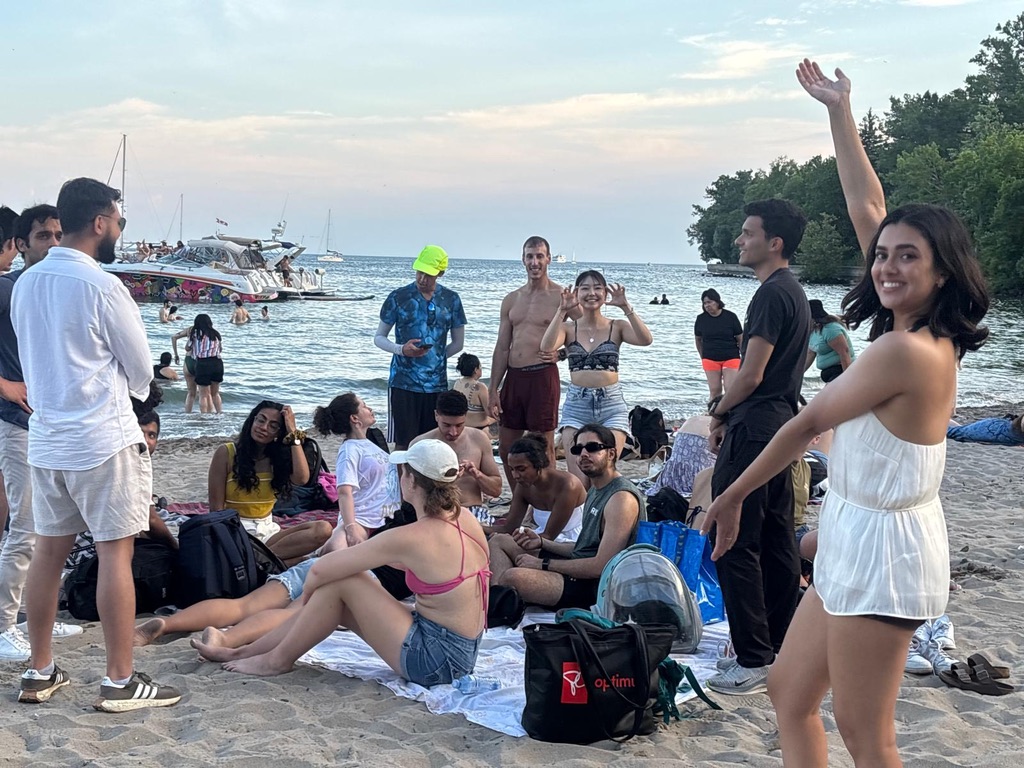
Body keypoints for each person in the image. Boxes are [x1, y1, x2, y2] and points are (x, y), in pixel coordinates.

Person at [703, 60, 990, 768]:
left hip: (888, 549)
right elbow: (869, 204)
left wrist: (730, 496)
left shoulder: (907, 352)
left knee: (867, 732)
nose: (886, 266)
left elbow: (804, 426)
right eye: (883, 255)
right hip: (851, 530)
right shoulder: (917, 325)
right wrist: (839, 110)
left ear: (943, 271)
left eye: (907, 257)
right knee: (790, 694)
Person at [11, 177, 180, 710]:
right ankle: (119, 679)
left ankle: (39, 670)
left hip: (47, 439)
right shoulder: (103, 286)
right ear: (101, 222)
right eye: (119, 222)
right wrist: (130, 387)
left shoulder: (27, 283)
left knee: (47, 554)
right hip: (101, 438)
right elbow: (141, 369)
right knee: (114, 555)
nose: (120, 232)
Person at [193, 440, 490, 688]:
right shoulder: (464, 519)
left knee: (342, 581)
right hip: (461, 652)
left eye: (402, 472)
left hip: (436, 662)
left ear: (411, 480)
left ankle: (275, 661)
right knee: (340, 597)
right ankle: (244, 651)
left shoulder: (413, 535)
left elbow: (322, 569)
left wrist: (307, 599)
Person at [702, 197, 811, 696]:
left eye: (748, 233)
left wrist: (719, 411)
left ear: (775, 242)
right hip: (782, 426)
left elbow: (751, 374)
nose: (739, 240)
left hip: (756, 427)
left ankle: (752, 657)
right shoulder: (795, 293)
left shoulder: (770, 294)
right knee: (775, 538)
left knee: (732, 539)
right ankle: (780, 646)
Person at [0, 204, 77, 663]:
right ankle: (4, 626)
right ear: (21, 244)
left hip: (55, 425)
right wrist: (4, 385)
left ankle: (34, 617)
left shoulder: (57, 289)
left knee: (54, 527)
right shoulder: (8, 288)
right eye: (43, 236)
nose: (52, 244)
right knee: (26, 527)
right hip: (18, 424)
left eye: (58, 235)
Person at [489, 424, 645, 609]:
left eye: (592, 448)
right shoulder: (595, 490)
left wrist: (543, 564)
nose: (584, 454)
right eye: (578, 449)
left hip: (595, 586)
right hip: (577, 567)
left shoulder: (621, 499)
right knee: (499, 541)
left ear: (611, 454)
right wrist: (542, 542)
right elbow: (583, 548)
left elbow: (601, 565)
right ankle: (499, 605)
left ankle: (499, 603)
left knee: (513, 577)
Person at [540, 271, 652, 489]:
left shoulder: (617, 326)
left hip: (611, 405)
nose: (591, 293)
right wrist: (562, 310)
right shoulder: (568, 328)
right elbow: (546, 346)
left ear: (605, 293)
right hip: (577, 406)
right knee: (579, 480)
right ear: (576, 293)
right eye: (585, 288)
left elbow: (645, 339)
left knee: (605, 473)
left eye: (597, 288)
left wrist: (625, 306)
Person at [488, 236, 576, 490]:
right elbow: (502, 347)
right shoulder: (512, 299)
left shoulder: (561, 297)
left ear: (548, 259)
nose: (534, 262)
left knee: (543, 447)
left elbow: (587, 334)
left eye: (539, 256)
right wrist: (493, 389)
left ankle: (546, 501)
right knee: (507, 447)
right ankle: (521, 498)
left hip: (542, 376)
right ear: (523, 259)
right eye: (530, 256)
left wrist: (562, 354)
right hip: (514, 377)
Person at [208, 401, 330, 565]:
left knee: (323, 529)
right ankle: (266, 562)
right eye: (261, 420)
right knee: (302, 560)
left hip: (268, 531)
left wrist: (293, 432)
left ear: (279, 433)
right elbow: (216, 510)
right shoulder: (227, 452)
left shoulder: (277, 459)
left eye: (273, 426)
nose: (264, 428)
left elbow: (302, 479)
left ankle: (257, 563)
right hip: (237, 530)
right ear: (252, 420)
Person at [374, 245, 466, 450]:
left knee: (434, 445)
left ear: (440, 273)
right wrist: (401, 350)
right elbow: (379, 337)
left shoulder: (451, 299)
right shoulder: (398, 297)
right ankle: (401, 474)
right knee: (404, 444)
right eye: (420, 272)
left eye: (429, 274)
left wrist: (436, 358)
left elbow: (458, 343)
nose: (422, 278)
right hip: (403, 383)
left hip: (437, 385)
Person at [312, 393, 402, 552]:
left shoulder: (372, 444)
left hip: (388, 519)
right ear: (354, 418)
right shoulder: (349, 450)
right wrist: (351, 528)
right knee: (337, 550)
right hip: (361, 521)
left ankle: (317, 554)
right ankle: (314, 556)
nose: (370, 409)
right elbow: (344, 492)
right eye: (364, 406)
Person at [410, 390, 503, 520]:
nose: (453, 432)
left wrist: (476, 474)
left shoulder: (479, 439)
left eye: (459, 425)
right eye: (447, 425)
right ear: (436, 415)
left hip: (472, 511)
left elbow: (496, 490)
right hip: (435, 513)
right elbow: (411, 491)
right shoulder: (420, 444)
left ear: (466, 416)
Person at [488, 432, 586, 542]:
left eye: (521, 469)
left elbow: (549, 536)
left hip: (574, 540)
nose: (515, 476)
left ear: (538, 464)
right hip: (542, 537)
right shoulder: (523, 486)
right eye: (512, 469)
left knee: (498, 542)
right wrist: (475, 527)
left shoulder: (568, 485)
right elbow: (508, 528)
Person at [694, 288, 743, 401]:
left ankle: (730, 411)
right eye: (705, 303)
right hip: (710, 358)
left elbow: (740, 338)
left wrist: (743, 355)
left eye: (710, 302)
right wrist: (703, 356)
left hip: (731, 357)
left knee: (729, 388)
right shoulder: (701, 319)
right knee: (715, 390)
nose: (707, 305)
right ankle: (713, 411)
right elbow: (698, 340)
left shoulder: (731, 317)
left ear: (717, 301)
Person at [805, 299, 856, 383]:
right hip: (829, 373)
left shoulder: (831, 329)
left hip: (839, 370)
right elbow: (810, 353)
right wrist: (797, 375)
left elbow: (845, 352)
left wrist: (847, 379)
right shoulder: (814, 331)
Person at [189, 314, 223, 414]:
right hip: (217, 363)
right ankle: (219, 413)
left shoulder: (196, 334)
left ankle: (204, 415)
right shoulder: (216, 334)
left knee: (203, 394)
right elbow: (220, 349)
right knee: (215, 393)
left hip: (203, 363)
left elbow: (188, 347)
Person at [451, 353, 494, 429]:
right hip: (479, 427)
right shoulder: (480, 387)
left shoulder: (457, 383)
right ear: (475, 370)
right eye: (480, 366)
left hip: (462, 426)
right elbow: (490, 412)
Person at [171, 323, 198, 413]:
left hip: (188, 360)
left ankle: (187, 414)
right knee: (204, 392)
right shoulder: (207, 331)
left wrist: (176, 355)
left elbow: (174, 337)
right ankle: (206, 415)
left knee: (191, 393)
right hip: (201, 361)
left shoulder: (190, 330)